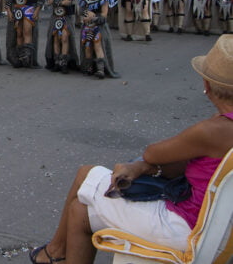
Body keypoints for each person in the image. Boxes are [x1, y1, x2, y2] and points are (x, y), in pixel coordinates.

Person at [29, 34, 233, 264]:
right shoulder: (219, 130)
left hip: (187, 226)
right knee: (79, 211)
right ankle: (56, 254)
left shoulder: (214, 130)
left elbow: (153, 154)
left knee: (86, 173)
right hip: (214, 224)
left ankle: (54, 252)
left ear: (207, 84)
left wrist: (142, 165)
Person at [44, 0, 81, 74]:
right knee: (55, 37)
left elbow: (69, 1)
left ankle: (65, 61)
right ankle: (56, 61)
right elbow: (49, 1)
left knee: (65, 38)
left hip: (67, 15)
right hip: (55, 15)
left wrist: (58, 1)